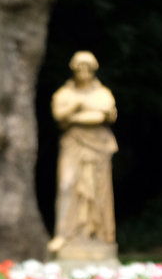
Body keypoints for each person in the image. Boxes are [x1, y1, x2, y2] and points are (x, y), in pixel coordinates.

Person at [48, 51, 119, 260]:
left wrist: (75, 115)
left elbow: (103, 116)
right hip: (73, 145)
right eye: (80, 68)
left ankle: (99, 233)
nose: (84, 72)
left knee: (98, 190)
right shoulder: (64, 94)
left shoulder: (103, 93)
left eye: (88, 68)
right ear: (74, 70)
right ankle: (65, 234)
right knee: (67, 185)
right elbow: (60, 116)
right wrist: (80, 106)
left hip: (98, 146)